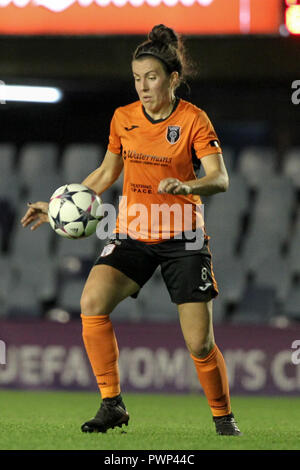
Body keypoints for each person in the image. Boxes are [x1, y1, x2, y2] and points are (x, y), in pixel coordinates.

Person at [21, 24, 241, 436]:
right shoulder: (123, 118)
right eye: (137, 78)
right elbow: (106, 172)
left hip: (183, 236)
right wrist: (55, 207)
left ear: (173, 79)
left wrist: (187, 185)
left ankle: (223, 418)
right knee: (91, 302)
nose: (142, 86)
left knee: (199, 344)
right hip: (133, 232)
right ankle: (112, 405)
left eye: (151, 77)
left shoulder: (194, 120)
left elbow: (221, 178)